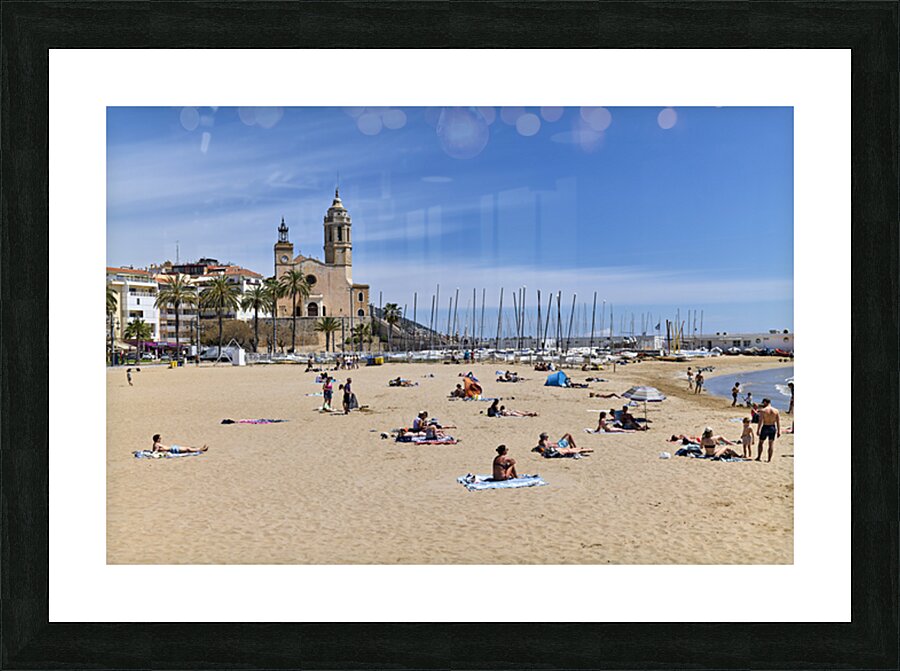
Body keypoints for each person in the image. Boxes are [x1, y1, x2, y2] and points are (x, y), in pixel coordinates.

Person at [756, 398, 780, 462]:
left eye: (763, 403)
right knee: (771, 444)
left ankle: (759, 457)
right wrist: (779, 431)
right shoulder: (776, 410)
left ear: (765, 402)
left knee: (761, 443)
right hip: (772, 427)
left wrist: (758, 430)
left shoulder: (763, 410)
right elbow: (778, 421)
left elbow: (760, 421)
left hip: (765, 427)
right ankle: (769, 459)